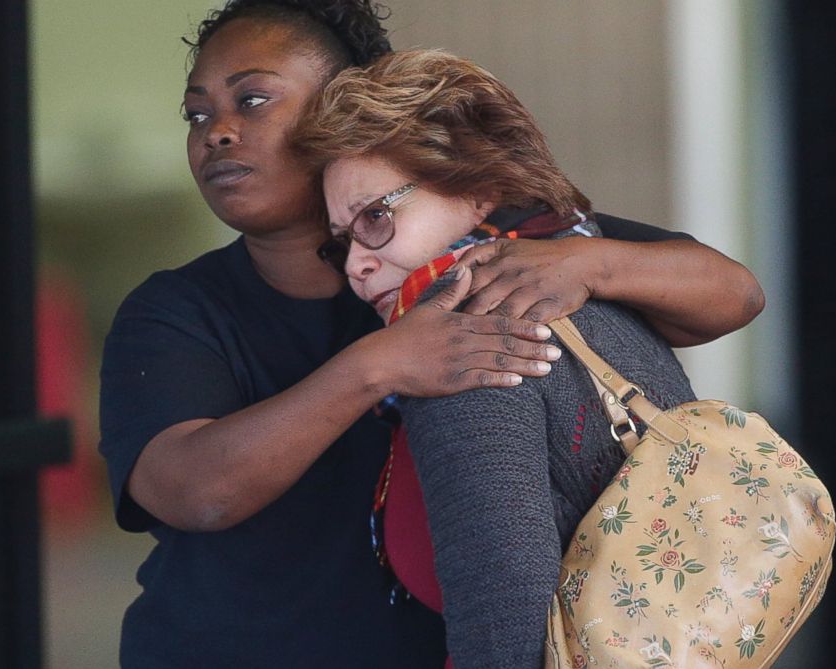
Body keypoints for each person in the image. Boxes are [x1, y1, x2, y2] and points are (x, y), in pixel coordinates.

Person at [97, 2, 763, 666]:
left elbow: (735, 292)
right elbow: (191, 490)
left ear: (344, 106)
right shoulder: (175, 310)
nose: (217, 131)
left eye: (254, 99)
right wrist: (379, 366)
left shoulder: (486, 253)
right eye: (198, 113)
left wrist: (589, 260)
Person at [297, 47, 698, 667]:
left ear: (480, 190)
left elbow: (505, 626)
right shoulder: (591, 284)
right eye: (341, 244)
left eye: (375, 218)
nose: (355, 265)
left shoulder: (466, 342)